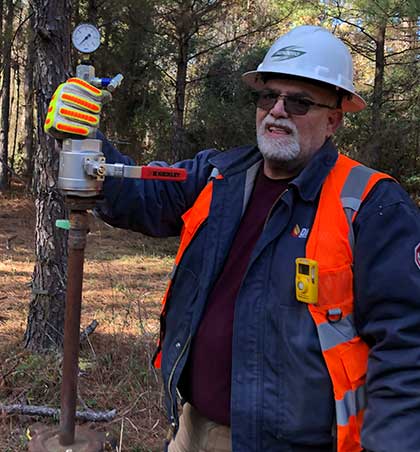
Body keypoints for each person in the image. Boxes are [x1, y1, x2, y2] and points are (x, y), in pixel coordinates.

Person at [45, 25, 420, 452]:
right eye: (268, 97)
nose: (277, 111)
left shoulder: (371, 206)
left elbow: (407, 349)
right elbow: (140, 195)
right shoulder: (219, 175)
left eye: (298, 102)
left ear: (333, 119)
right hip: (191, 429)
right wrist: (83, 139)